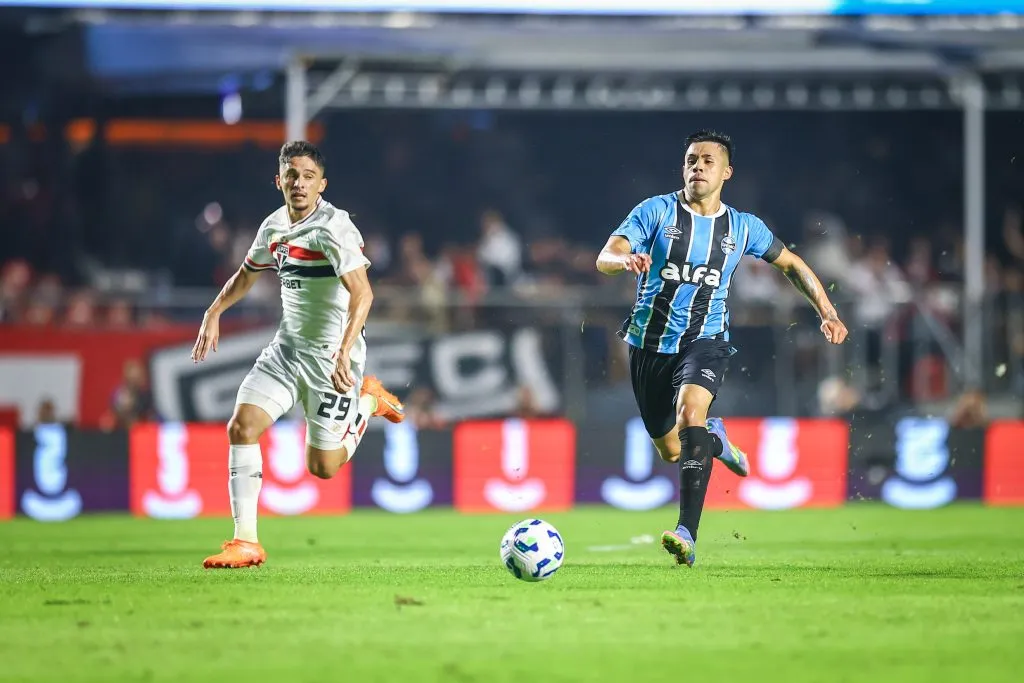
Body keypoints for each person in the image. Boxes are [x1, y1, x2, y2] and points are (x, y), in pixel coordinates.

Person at [596, 130, 848, 567]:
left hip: (705, 341)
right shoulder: (655, 212)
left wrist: (826, 310)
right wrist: (624, 261)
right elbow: (606, 254)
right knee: (672, 449)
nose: (698, 167)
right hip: (648, 346)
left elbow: (791, 263)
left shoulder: (743, 227)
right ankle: (715, 439)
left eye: (708, 161)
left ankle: (685, 535)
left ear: (726, 172)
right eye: (691, 159)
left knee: (690, 414)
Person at [191, 141, 405, 569]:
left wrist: (346, 350)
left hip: (331, 360)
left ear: (321, 184)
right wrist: (214, 310)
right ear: (279, 181)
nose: (299, 183)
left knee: (323, 467)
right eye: (292, 175)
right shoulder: (272, 227)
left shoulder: (335, 228)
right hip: (286, 352)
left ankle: (369, 400)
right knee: (242, 425)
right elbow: (246, 274)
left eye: (308, 176)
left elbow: (363, 293)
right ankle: (246, 542)